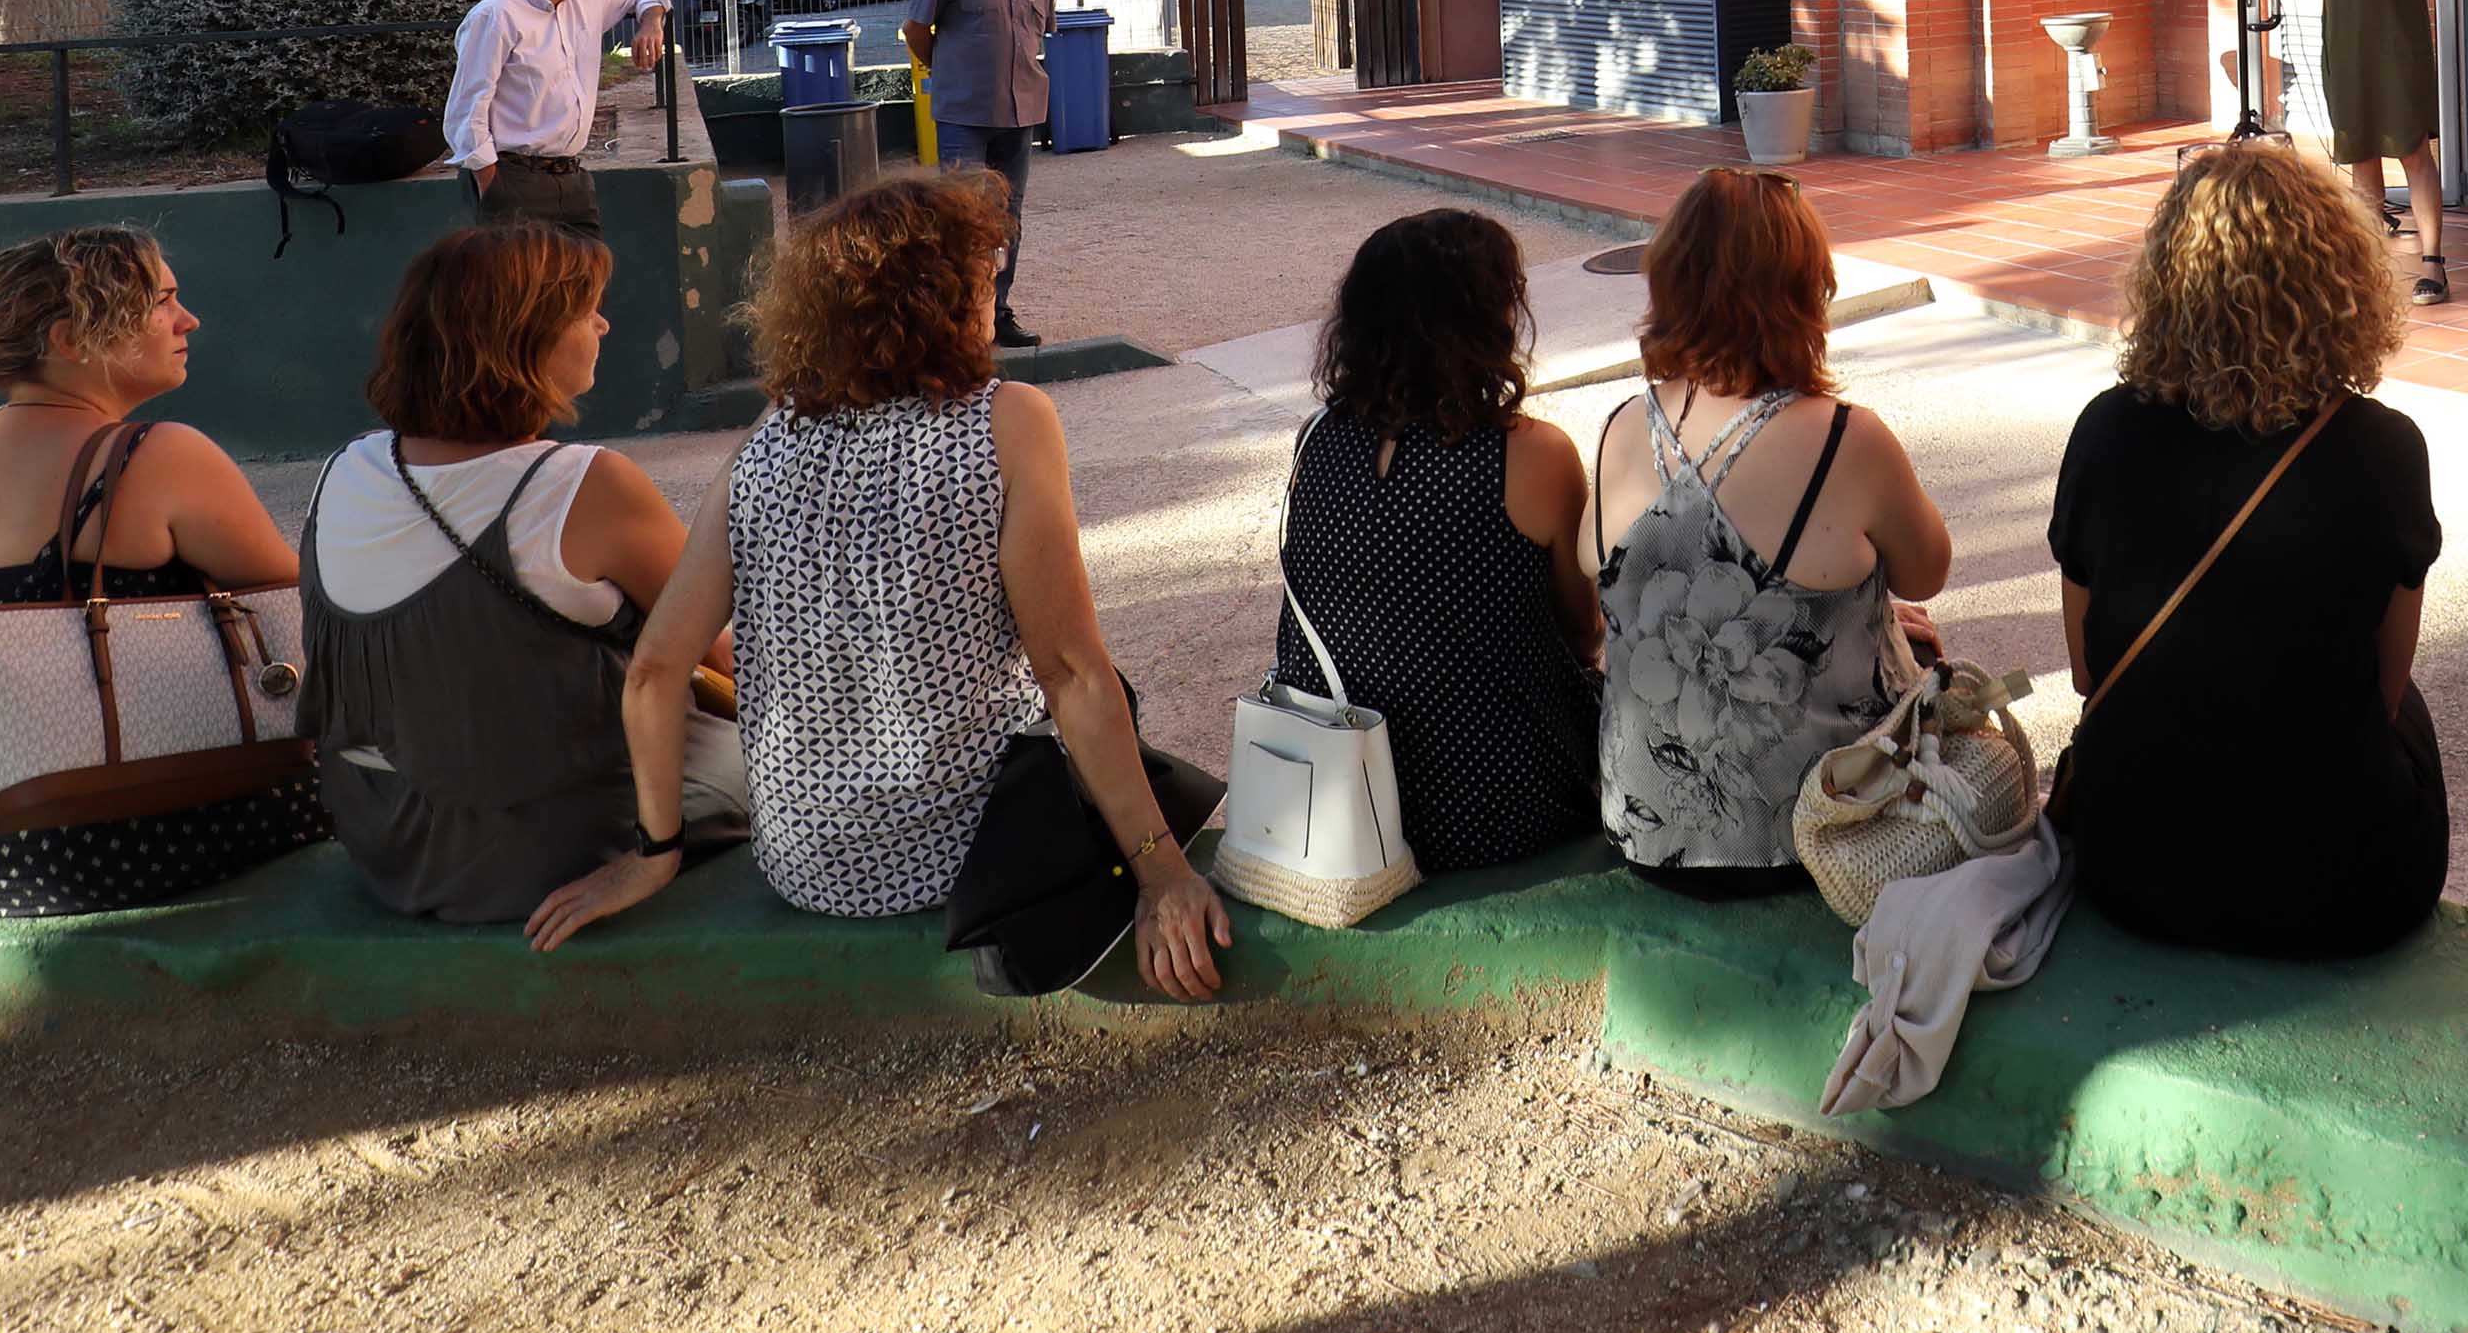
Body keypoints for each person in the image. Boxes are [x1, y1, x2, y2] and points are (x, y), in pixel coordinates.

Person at [525, 171, 1228, 1000]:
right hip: (964, 853)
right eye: (980, 275)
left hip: (804, 864)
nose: (991, 292)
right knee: (1112, 703)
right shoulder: (1008, 420)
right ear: (939, 298)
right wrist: (1163, 873)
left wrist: (655, 854)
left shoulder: (765, 444)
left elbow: (654, 670)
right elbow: (1069, 672)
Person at [0, 230, 329, 915]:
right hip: (92, 836)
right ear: (72, 340)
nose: (187, 318)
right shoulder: (153, 455)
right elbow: (315, 620)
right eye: (162, 300)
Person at [2054, 139, 2445, 958]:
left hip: (2132, 869)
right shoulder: (2384, 448)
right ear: (2337, 281)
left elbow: (2091, 674)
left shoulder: (2106, 428)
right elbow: (2383, 685)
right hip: (2346, 890)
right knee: (2410, 712)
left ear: (2168, 282)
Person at [299, 225, 748, 923]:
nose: (602, 323)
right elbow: (715, 649)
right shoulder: (585, 484)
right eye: (584, 310)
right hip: (545, 847)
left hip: (386, 844)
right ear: (525, 338)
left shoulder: (346, 467)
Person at [1588, 167, 1952, 892]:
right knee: (1922, 644)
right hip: (1820, 840)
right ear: (1803, 291)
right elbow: (1926, 571)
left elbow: (1605, 586)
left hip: (1649, 836)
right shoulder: (1849, 438)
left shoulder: (1622, 430)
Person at [1276, 209, 1602, 872]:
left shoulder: (1316, 440)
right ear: (1486, 320)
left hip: (1349, 801)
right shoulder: (1532, 455)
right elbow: (1582, 629)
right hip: (1502, 806)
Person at [2301, 0, 2454, 305]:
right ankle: (2368, 263)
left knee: (2411, 147)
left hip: (2395, 37)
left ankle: (2432, 262)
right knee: (2359, 146)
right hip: (2345, 37)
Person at [442, 0, 670, 236]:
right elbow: (466, 112)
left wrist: (651, 24)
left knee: (588, 281)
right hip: (513, 180)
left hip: (573, 179)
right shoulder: (495, 16)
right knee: (523, 286)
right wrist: (492, 185)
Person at [903, 0, 1057, 350]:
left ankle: (998, 312)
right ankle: (960, 317)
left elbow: (1040, 32)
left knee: (1007, 218)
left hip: (1021, 111)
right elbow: (915, 28)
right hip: (964, 114)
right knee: (963, 215)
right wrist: (947, 67)